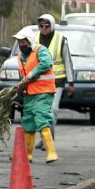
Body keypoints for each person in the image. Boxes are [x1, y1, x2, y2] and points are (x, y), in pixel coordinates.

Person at [14, 27, 58, 163]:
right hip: (30, 95)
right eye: (19, 42)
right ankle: (28, 155)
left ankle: (51, 152)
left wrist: (32, 74)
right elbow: (23, 75)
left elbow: (46, 64)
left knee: (42, 119)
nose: (22, 45)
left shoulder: (41, 50)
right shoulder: (21, 56)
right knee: (28, 122)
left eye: (24, 42)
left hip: (44, 92)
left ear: (30, 41)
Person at [35, 14, 74, 147]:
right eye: (41, 25)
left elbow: (68, 62)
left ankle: (48, 140)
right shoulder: (35, 39)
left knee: (52, 110)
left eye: (46, 25)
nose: (44, 28)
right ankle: (44, 138)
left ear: (52, 25)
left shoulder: (61, 40)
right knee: (41, 112)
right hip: (39, 82)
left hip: (57, 82)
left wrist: (71, 82)